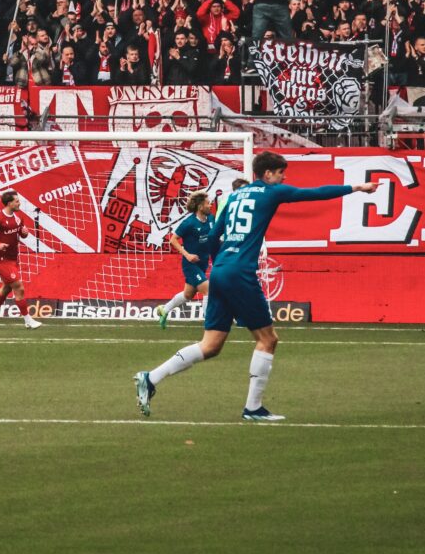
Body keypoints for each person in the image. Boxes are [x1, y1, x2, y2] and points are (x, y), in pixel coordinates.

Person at [135, 153, 377, 420]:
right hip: (240, 274)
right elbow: (315, 193)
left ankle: (151, 378)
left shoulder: (233, 198)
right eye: (281, 172)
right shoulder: (270, 192)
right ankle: (253, 408)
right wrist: (357, 187)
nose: (284, 177)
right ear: (268, 174)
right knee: (268, 339)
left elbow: (214, 238)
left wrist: (221, 265)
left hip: (221, 271)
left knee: (211, 345)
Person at [0, 190, 41, 330]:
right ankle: (28, 321)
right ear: (9, 203)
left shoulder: (19, 218)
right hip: (2, 259)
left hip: (14, 258)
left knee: (8, 286)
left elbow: (21, 234)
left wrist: (24, 233)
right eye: (17, 201)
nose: (19, 203)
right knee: (18, 287)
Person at [156, 191, 215, 328]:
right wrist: (187, 254)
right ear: (200, 206)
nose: (210, 205)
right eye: (207, 203)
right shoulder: (189, 223)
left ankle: (163, 310)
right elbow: (173, 240)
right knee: (208, 290)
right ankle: (209, 323)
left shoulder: (211, 219)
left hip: (203, 262)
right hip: (190, 264)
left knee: (188, 294)